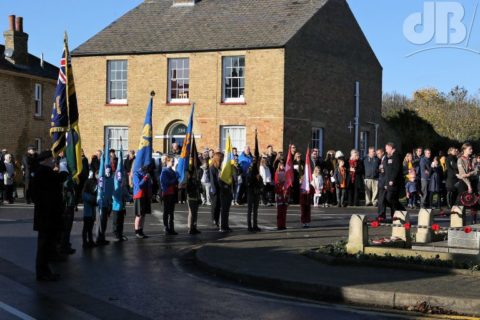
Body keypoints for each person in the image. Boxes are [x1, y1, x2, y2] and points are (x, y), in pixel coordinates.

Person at [32, 151, 69, 281]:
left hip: (45, 214)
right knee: (44, 245)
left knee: (45, 244)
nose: (53, 161)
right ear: (46, 160)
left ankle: (44, 271)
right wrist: (64, 167)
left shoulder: (40, 171)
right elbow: (61, 177)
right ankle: (42, 272)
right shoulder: (44, 172)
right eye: (51, 159)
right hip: (47, 215)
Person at [384, 142, 406, 218]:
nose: (386, 150)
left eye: (387, 148)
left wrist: (392, 180)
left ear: (391, 148)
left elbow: (396, 169)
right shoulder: (391, 156)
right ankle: (395, 216)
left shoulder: (396, 156)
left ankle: (402, 210)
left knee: (390, 198)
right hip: (390, 182)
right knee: (392, 199)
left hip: (394, 182)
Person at [112, 156, 130, 241]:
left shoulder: (122, 177)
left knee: (121, 220)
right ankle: (116, 234)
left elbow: (125, 191)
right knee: (116, 220)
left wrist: (129, 197)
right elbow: (114, 192)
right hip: (116, 204)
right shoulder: (114, 178)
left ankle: (120, 233)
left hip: (122, 204)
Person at [95, 164, 114, 245]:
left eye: (109, 170)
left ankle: (102, 237)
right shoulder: (100, 180)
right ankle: (98, 238)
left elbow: (111, 191)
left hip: (107, 203)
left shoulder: (110, 180)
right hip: (101, 204)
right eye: (107, 170)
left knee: (104, 222)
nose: (108, 172)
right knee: (100, 221)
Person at [160, 156, 178, 235]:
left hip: (172, 193)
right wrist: (174, 180)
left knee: (171, 212)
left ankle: (171, 228)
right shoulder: (164, 171)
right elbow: (165, 182)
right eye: (171, 161)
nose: (173, 163)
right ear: (167, 162)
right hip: (167, 193)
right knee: (166, 211)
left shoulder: (173, 171)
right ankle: (166, 227)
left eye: (173, 161)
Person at [133, 165, 152, 239]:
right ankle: (137, 231)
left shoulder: (145, 173)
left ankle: (141, 230)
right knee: (139, 215)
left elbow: (149, 185)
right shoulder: (136, 174)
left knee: (143, 215)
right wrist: (145, 178)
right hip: (139, 195)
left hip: (145, 195)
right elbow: (139, 185)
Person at [60, 173, 76, 255]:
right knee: (66, 229)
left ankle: (66, 245)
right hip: (67, 208)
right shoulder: (66, 187)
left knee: (68, 229)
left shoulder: (69, 187)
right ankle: (63, 247)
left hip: (70, 207)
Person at [246, 158, 263, 232]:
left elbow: (261, 183)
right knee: (250, 210)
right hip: (251, 192)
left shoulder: (258, 172)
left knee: (255, 210)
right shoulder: (250, 170)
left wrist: (259, 181)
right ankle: (249, 226)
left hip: (256, 192)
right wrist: (254, 178)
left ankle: (255, 225)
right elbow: (247, 182)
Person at [82, 171, 97, 248]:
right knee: (86, 228)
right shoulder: (85, 194)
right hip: (87, 214)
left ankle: (90, 241)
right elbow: (92, 200)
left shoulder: (89, 193)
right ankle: (85, 242)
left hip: (91, 214)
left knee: (90, 228)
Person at [186, 167, 202, 235]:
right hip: (191, 197)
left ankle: (194, 226)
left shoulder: (196, 180)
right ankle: (190, 227)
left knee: (195, 213)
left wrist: (199, 185)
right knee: (192, 213)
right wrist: (196, 185)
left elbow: (200, 190)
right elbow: (189, 189)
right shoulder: (189, 181)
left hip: (196, 197)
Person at [209, 152, 222, 227]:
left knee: (219, 205)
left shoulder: (219, 167)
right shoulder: (212, 167)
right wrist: (215, 191)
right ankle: (214, 219)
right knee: (214, 205)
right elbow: (212, 180)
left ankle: (217, 219)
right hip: (214, 190)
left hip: (219, 188)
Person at [274, 161, 288, 230]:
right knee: (279, 210)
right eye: (281, 165)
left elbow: (288, 181)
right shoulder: (277, 173)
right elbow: (276, 183)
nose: (282, 166)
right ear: (279, 166)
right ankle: (279, 225)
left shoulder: (286, 173)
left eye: (283, 165)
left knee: (284, 210)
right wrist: (280, 186)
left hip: (285, 192)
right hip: (280, 192)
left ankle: (283, 224)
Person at [377, 148, 387, 219]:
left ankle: (381, 215)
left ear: (383, 152)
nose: (378, 155)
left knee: (382, 200)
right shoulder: (381, 160)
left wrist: (386, 184)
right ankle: (381, 214)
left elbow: (386, 173)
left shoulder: (385, 160)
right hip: (381, 182)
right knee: (380, 199)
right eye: (377, 154)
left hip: (384, 183)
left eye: (379, 153)